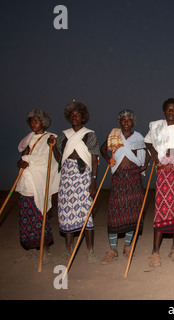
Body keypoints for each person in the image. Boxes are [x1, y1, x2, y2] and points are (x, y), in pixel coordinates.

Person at [50, 100, 100, 264]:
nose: (75, 117)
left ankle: (90, 251)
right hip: (66, 177)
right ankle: (68, 250)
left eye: (77, 115)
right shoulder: (63, 135)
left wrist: (93, 181)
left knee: (86, 213)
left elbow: (94, 158)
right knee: (66, 213)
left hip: (83, 175)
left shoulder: (89, 134)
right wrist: (52, 146)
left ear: (83, 118)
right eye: (72, 115)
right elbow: (59, 159)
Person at [144, 98, 174, 267]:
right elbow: (147, 142)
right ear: (164, 111)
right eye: (168, 109)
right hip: (164, 172)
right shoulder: (156, 127)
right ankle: (155, 253)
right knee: (162, 210)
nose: (171, 112)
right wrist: (154, 154)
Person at [99, 109, 150, 264]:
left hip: (134, 179)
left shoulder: (138, 137)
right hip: (118, 179)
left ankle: (127, 247)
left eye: (129, 120)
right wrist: (108, 159)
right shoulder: (114, 135)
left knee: (133, 213)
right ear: (119, 122)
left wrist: (145, 165)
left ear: (133, 122)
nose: (126, 122)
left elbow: (147, 151)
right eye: (123, 120)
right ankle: (113, 249)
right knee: (115, 213)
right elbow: (102, 149)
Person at [15, 109, 60, 264]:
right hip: (26, 182)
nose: (33, 124)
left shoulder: (50, 137)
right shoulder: (28, 139)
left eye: (37, 121)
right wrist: (21, 163)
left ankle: (45, 252)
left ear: (43, 122)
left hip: (40, 181)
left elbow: (54, 160)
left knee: (40, 215)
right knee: (26, 218)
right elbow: (24, 157)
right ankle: (31, 251)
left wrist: (53, 146)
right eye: (31, 121)